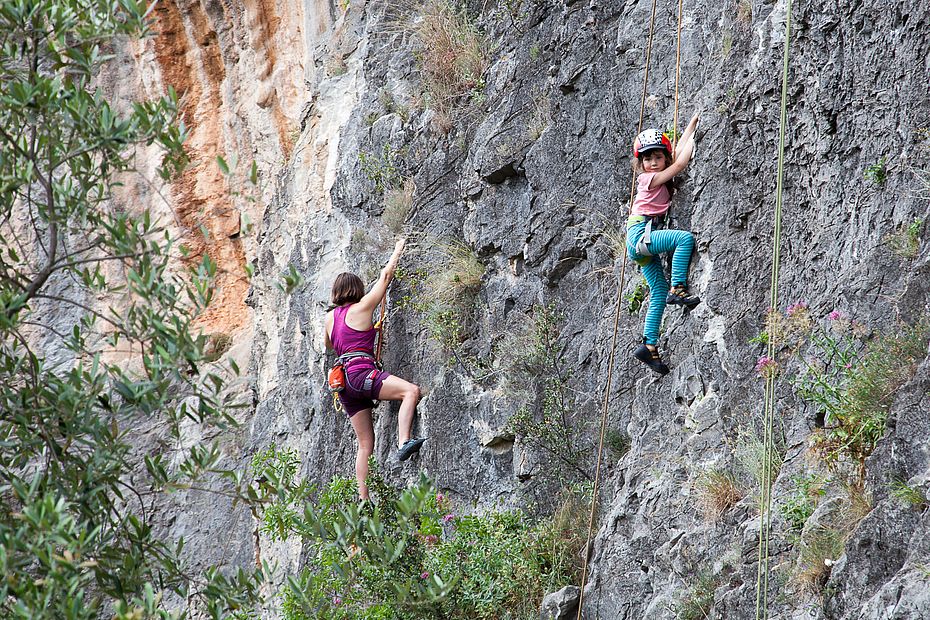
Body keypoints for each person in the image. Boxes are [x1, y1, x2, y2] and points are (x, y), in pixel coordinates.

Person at [324, 239, 425, 499]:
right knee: (411, 392)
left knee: (365, 444)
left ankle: (363, 499)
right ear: (357, 290)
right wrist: (399, 247)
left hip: (343, 384)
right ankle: (404, 441)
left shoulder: (329, 319)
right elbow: (386, 276)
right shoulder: (363, 307)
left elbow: (328, 343)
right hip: (361, 373)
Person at [626, 113, 701, 375]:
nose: (653, 162)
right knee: (684, 239)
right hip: (640, 236)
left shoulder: (659, 173)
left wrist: (693, 124)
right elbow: (680, 163)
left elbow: (677, 151)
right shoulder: (647, 179)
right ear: (641, 164)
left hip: (641, 242)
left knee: (657, 292)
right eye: (647, 159)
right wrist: (695, 139)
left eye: (658, 157)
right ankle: (678, 288)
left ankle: (649, 345)